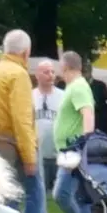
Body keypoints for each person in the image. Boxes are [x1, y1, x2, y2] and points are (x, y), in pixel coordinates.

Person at [0, 30, 44, 213]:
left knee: (5, 197)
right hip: (16, 145)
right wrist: (29, 156)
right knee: (33, 196)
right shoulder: (18, 74)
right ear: (26, 52)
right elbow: (22, 119)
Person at [52, 51, 95, 213]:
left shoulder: (78, 87)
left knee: (61, 193)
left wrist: (83, 141)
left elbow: (87, 114)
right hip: (67, 150)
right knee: (73, 194)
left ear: (65, 66)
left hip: (73, 151)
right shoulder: (74, 87)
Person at [33, 60, 62, 192]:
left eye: (52, 72)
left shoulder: (63, 96)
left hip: (59, 154)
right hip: (37, 154)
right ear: (37, 75)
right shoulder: (29, 96)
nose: (50, 75)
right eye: (46, 72)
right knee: (40, 192)